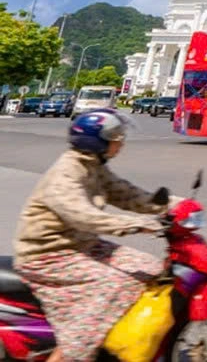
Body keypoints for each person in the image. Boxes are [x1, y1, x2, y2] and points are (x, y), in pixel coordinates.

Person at [12, 109, 175, 362]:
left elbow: (125, 193)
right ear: (97, 142)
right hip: (48, 255)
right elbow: (83, 216)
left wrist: (172, 205)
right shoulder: (66, 173)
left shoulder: (93, 166)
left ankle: (117, 339)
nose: (121, 142)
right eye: (115, 137)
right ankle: (71, 352)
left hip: (83, 246)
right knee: (116, 284)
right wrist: (135, 224)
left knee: (151, 268)